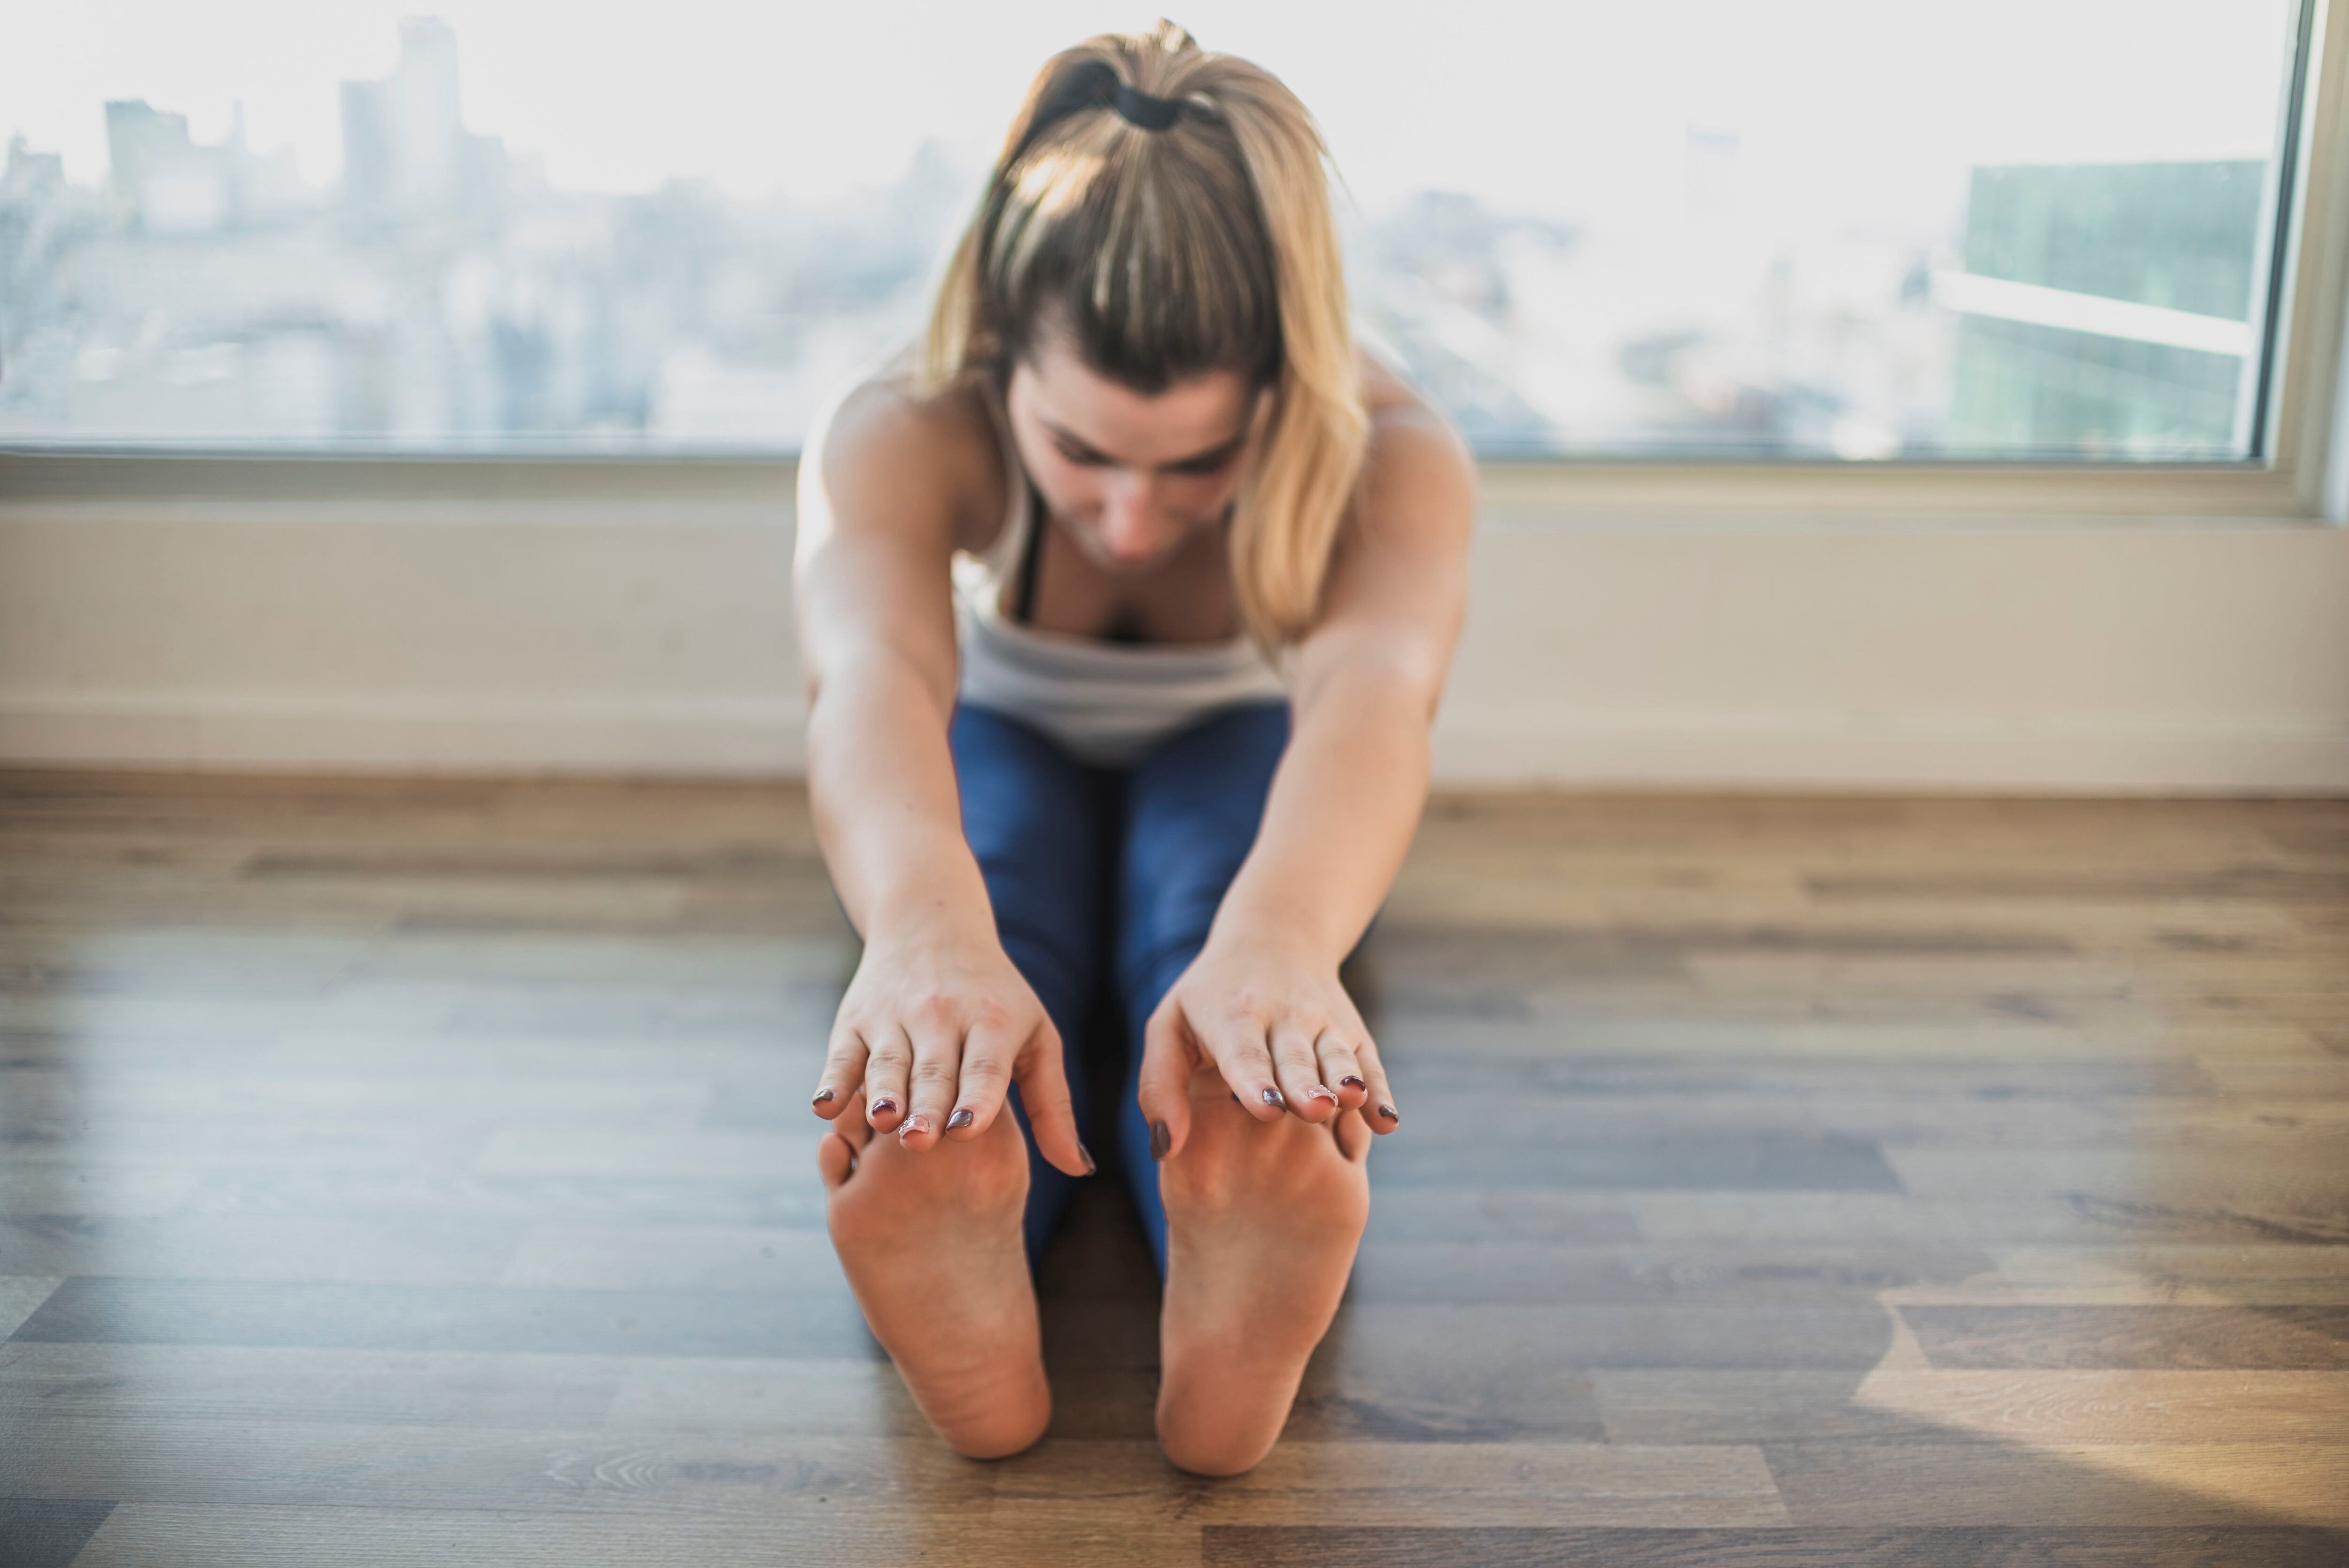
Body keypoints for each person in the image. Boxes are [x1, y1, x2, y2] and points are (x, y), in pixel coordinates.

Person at [792, 20, 1473, 1476]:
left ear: (1283, 397)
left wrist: (1286, 944)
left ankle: (1235, 1261)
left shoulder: (1395, 450)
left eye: (1197, 465)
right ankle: (957, 1229)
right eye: (1082, 453)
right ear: (1001, 367)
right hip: (1003, 735)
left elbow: (1374, 694)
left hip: (1240, 747)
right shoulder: (900, 425)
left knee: (1206, 935)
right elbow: (872, 675)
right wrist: (920, 935)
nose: (1127, 519)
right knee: (1003, 912)